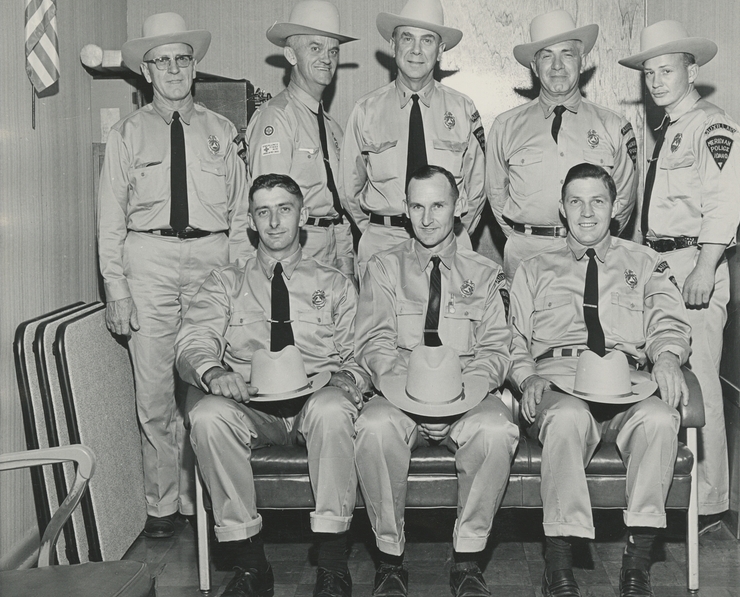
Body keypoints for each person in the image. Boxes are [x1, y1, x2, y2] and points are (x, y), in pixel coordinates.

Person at [175, 174, 368, 597]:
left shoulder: (333, 282)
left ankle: (333, 564)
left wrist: (346, 377)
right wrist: (212, 372)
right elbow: (193, 340)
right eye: (264, 212)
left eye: (284, 209)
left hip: (316, 401)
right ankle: (250, 565)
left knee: (334, 408)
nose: (275, 222)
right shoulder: (225, 282)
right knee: (206, 415)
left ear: (301, 216)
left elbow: (363, 353)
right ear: (251, 221)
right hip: (253, 404)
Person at [98, 12, 251, 539]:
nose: (173, 69)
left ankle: (201, 502)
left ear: (194, 66)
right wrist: (116, 289)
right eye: (161, 61)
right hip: (150, 264)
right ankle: (163, 505)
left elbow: (240, 218)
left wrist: (238, 282)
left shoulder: (223, 132)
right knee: (156, 392)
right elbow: (109, 222)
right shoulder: (126, 136)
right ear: (146, 71)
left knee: (208, 385)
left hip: (213, 263)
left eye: (182, 59)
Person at [508, 163, 691, 597]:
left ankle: (637, 562)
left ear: (615, 207)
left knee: (662, 419)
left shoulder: (644, 263)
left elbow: (668, 320)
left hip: (628, 381)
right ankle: (559, 562)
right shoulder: (533, 268)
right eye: (575, 201)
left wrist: (666, 357)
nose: (586, 213)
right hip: (560, 381)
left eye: (597, 201)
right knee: (567, 418)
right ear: (561, 208)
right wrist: (526, 376)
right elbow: (511, 338)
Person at [354, 165, 519, 597]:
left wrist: (454, 400)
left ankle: (467, 558)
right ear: (405, 210)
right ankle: (389, 560)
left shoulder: (484, 273)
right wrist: (420, 401)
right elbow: (375, 344)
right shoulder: (384, 268)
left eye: (438, 205)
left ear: (458, 208)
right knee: (372, 427)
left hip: (467, 393)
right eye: (417, 206)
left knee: (497, 430)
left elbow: (496, 350)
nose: (428, 219)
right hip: (400, 394)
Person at [619, 21, 740, 534]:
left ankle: (709, 504)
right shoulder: (668, 128)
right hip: (661, 266)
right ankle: (670, 493)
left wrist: (707, 267)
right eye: (649, 74)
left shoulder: (712, 126)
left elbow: (722, 204)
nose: (657, 81)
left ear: (692, 70)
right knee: (664, 375)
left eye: (666, 70)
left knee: (702, 383)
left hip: (694, 266)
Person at [339, 0, 487, 281]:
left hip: (449, 243)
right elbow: (349, 190)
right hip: (383, 244)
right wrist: (377, 229)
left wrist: (450, 230)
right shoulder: (365, 110)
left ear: (441, 50)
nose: (416, 50)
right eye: (407, 38)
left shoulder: (463, 109)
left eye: (428, 40)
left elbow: (478, 188)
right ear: (393, 46)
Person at [486, 10, 637, 280]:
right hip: (525, 255)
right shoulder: (505, 126)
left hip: (591, 254)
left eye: (567, 54)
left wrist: (591, 235)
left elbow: (623, 200)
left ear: (582, 62)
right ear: (533, 66)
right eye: (546, 55)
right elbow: (496, 196)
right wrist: (526, 235)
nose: (557, 65)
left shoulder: (614, 126)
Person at [246, 0, 358, 280]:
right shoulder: (277, 118)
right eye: (315, 48)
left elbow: (338, 203)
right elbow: (269, 207)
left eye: (333, 51)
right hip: (298, 249)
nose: (327, 59)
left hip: (333, 244)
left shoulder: (332, 126)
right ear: (291, 55)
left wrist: (345, 259)